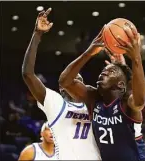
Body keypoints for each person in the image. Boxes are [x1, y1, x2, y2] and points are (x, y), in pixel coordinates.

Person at [59, 23, 145, 161]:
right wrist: (89, 53)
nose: (103, 73)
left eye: (110, 71)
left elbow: (140, 100)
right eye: (103, 71)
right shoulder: (93, 98)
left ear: (120, 84)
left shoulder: (127, 103)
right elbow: (65, 82)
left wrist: (136, 58)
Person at [22, 8, 101, 160]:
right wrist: (37, 34)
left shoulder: (93, 105)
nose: (73, 82)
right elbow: (28, 74)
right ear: (61, 87)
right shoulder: (56, 104)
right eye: (69, 81)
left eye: (77, 80)